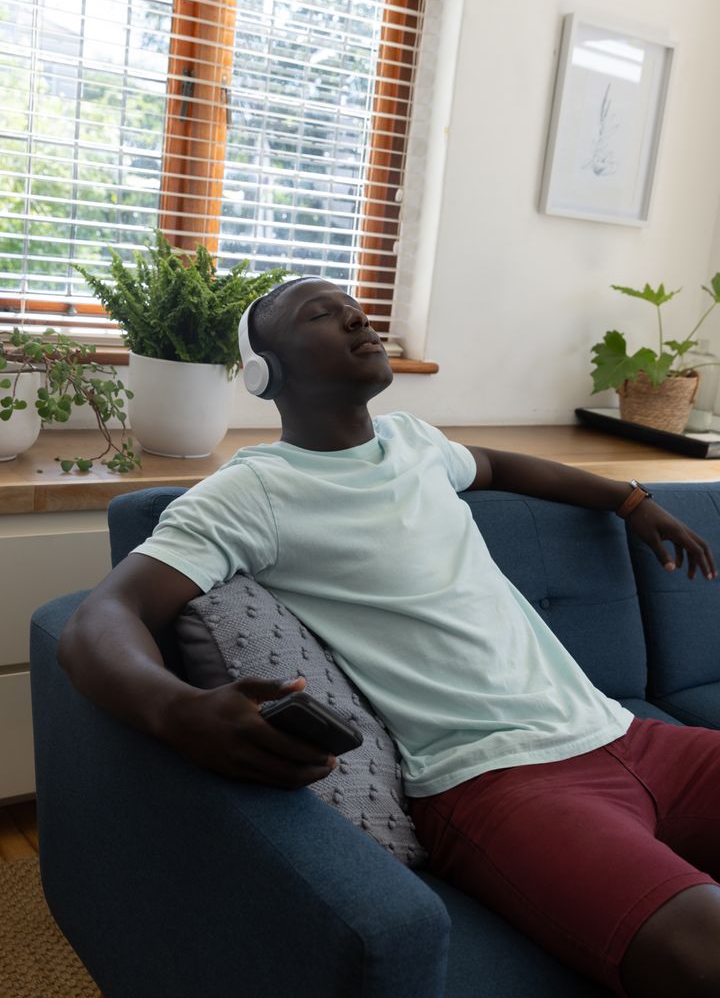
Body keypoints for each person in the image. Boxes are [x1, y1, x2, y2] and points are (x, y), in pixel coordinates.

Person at [59, 277, 720, 998]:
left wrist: (629, 501)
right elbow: (100, 617)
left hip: (628, 735)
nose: (354, 316)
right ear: (264, 373)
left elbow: (503, 466)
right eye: (321, 313)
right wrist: (177, 711)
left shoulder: (414, 442)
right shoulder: (251, 494)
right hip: (498, 782)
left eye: (357, 308)